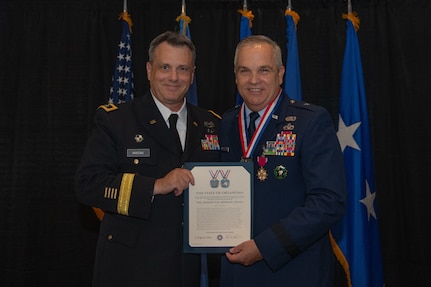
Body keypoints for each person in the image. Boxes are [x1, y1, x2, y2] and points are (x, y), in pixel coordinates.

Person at [75, 31, 221, 287]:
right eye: (165, 67)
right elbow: (88, 185)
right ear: (149, 69)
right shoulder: (116, 120)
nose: (174, 77)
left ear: (193, 73)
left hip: (190, 270)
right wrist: (155, 185)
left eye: (182, 68)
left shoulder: (212, 124)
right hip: (131, 268)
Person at [218, 35, 347, 286]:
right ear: (235, 76)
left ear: (280, 74)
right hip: (236, 274)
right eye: (245, 71)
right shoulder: (225, 124)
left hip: (293, 271)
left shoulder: (310, 122)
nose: (254, 80)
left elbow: (329, 201)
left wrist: (265, 247)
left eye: (263, 70)